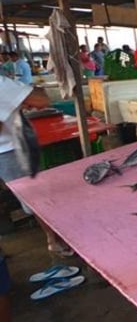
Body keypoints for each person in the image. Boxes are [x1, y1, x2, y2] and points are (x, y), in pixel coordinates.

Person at [0, 76, 74, 258]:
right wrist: (27, 92)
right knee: (36, 199)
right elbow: (41, 100)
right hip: (9, 150)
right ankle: (56, 240)